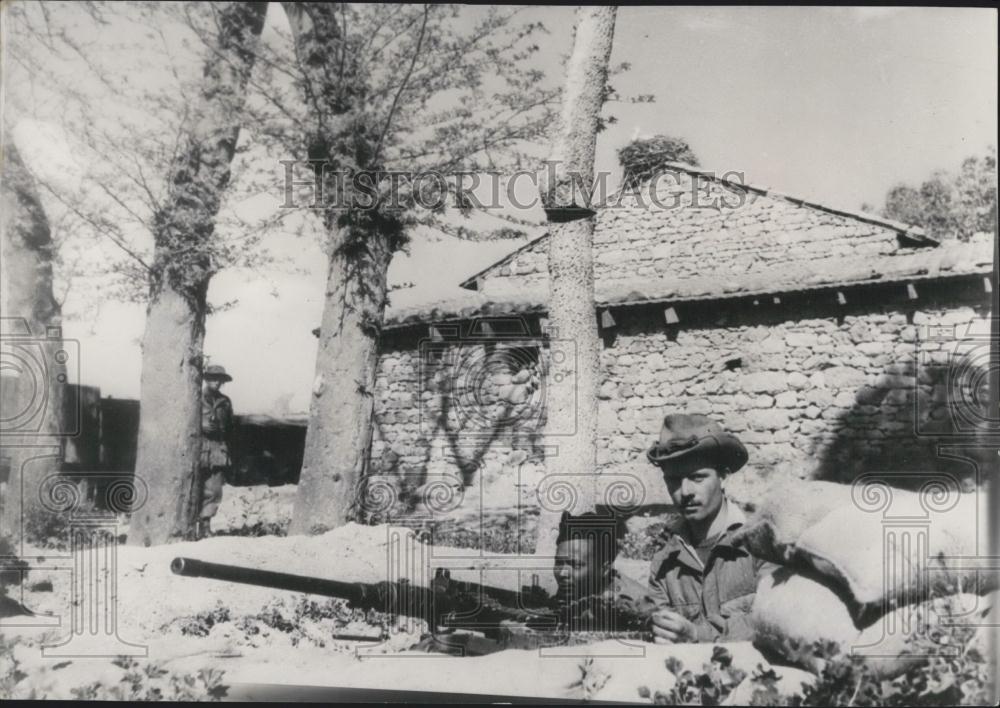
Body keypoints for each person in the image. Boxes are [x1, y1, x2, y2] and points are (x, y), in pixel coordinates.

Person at [408, 511, 656, 655]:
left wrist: (462, 643)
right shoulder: (578, 590)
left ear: (604, 569)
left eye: (575, 565)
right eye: (559, 562)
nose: (562, 572)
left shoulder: (630, 606)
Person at [644, 413, 776, 644]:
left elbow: (775, 621)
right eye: (674, 480)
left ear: (723, 477)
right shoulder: (665, 562)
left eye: (697, 477)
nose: (685, 492)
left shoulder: (763, 543)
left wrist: (698, 635)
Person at [197, 364, 235, 539]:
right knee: (194, 487)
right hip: (198, 448)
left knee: (214, 489)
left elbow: (230, 427)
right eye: (212, 378)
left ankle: (205, 526)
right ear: (206, 379)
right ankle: (190, 526)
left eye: (219, 380)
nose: (216, 383)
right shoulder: (196, 397)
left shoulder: (225, 402)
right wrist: (201, 426)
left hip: (217, 450)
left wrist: (218, 428)